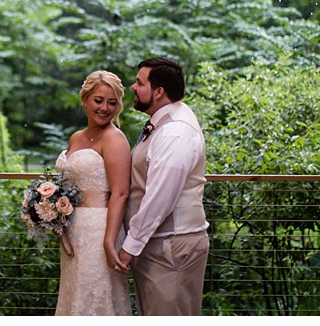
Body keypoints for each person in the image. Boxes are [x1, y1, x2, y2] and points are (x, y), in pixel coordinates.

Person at [118, 57, 209, 315]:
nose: (133, 87)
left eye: (139, 83)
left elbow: (160, 197)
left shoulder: (175, 132)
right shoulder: (166, 122)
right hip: (161, 245)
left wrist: (130, 246)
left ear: (159, 92)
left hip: (171, 247)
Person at [54, 70, 132, 315]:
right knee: (74, 294)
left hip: (100, 231)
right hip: (73, 229)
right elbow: (66, 186)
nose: (105, 108)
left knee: (96, 296)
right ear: (85, 99)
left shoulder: (115, 139)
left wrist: (109, 242)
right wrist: (53, 215)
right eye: (99, 100)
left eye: (112, 102)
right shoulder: (76, 138)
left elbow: (120, 192)